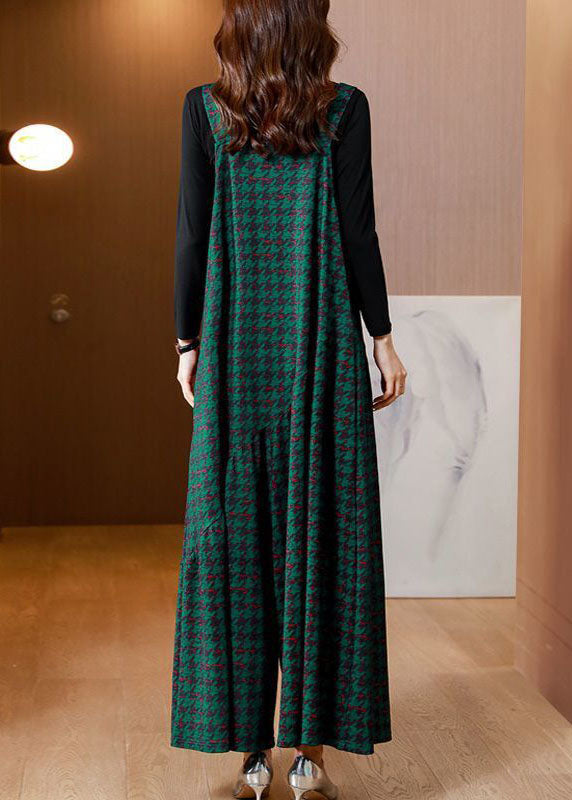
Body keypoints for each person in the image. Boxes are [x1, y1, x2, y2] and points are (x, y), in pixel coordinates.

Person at [170, 1, 407, 798]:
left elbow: (191, 232)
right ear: (313, 24)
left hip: (235, 347)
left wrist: (187, 342)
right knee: (321, 533)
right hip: (319, 347)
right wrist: (381, 337)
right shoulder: (344, 109)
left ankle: (248, 754)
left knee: (234, 537)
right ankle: (307, 753)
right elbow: (358, 232)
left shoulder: (205, 110)